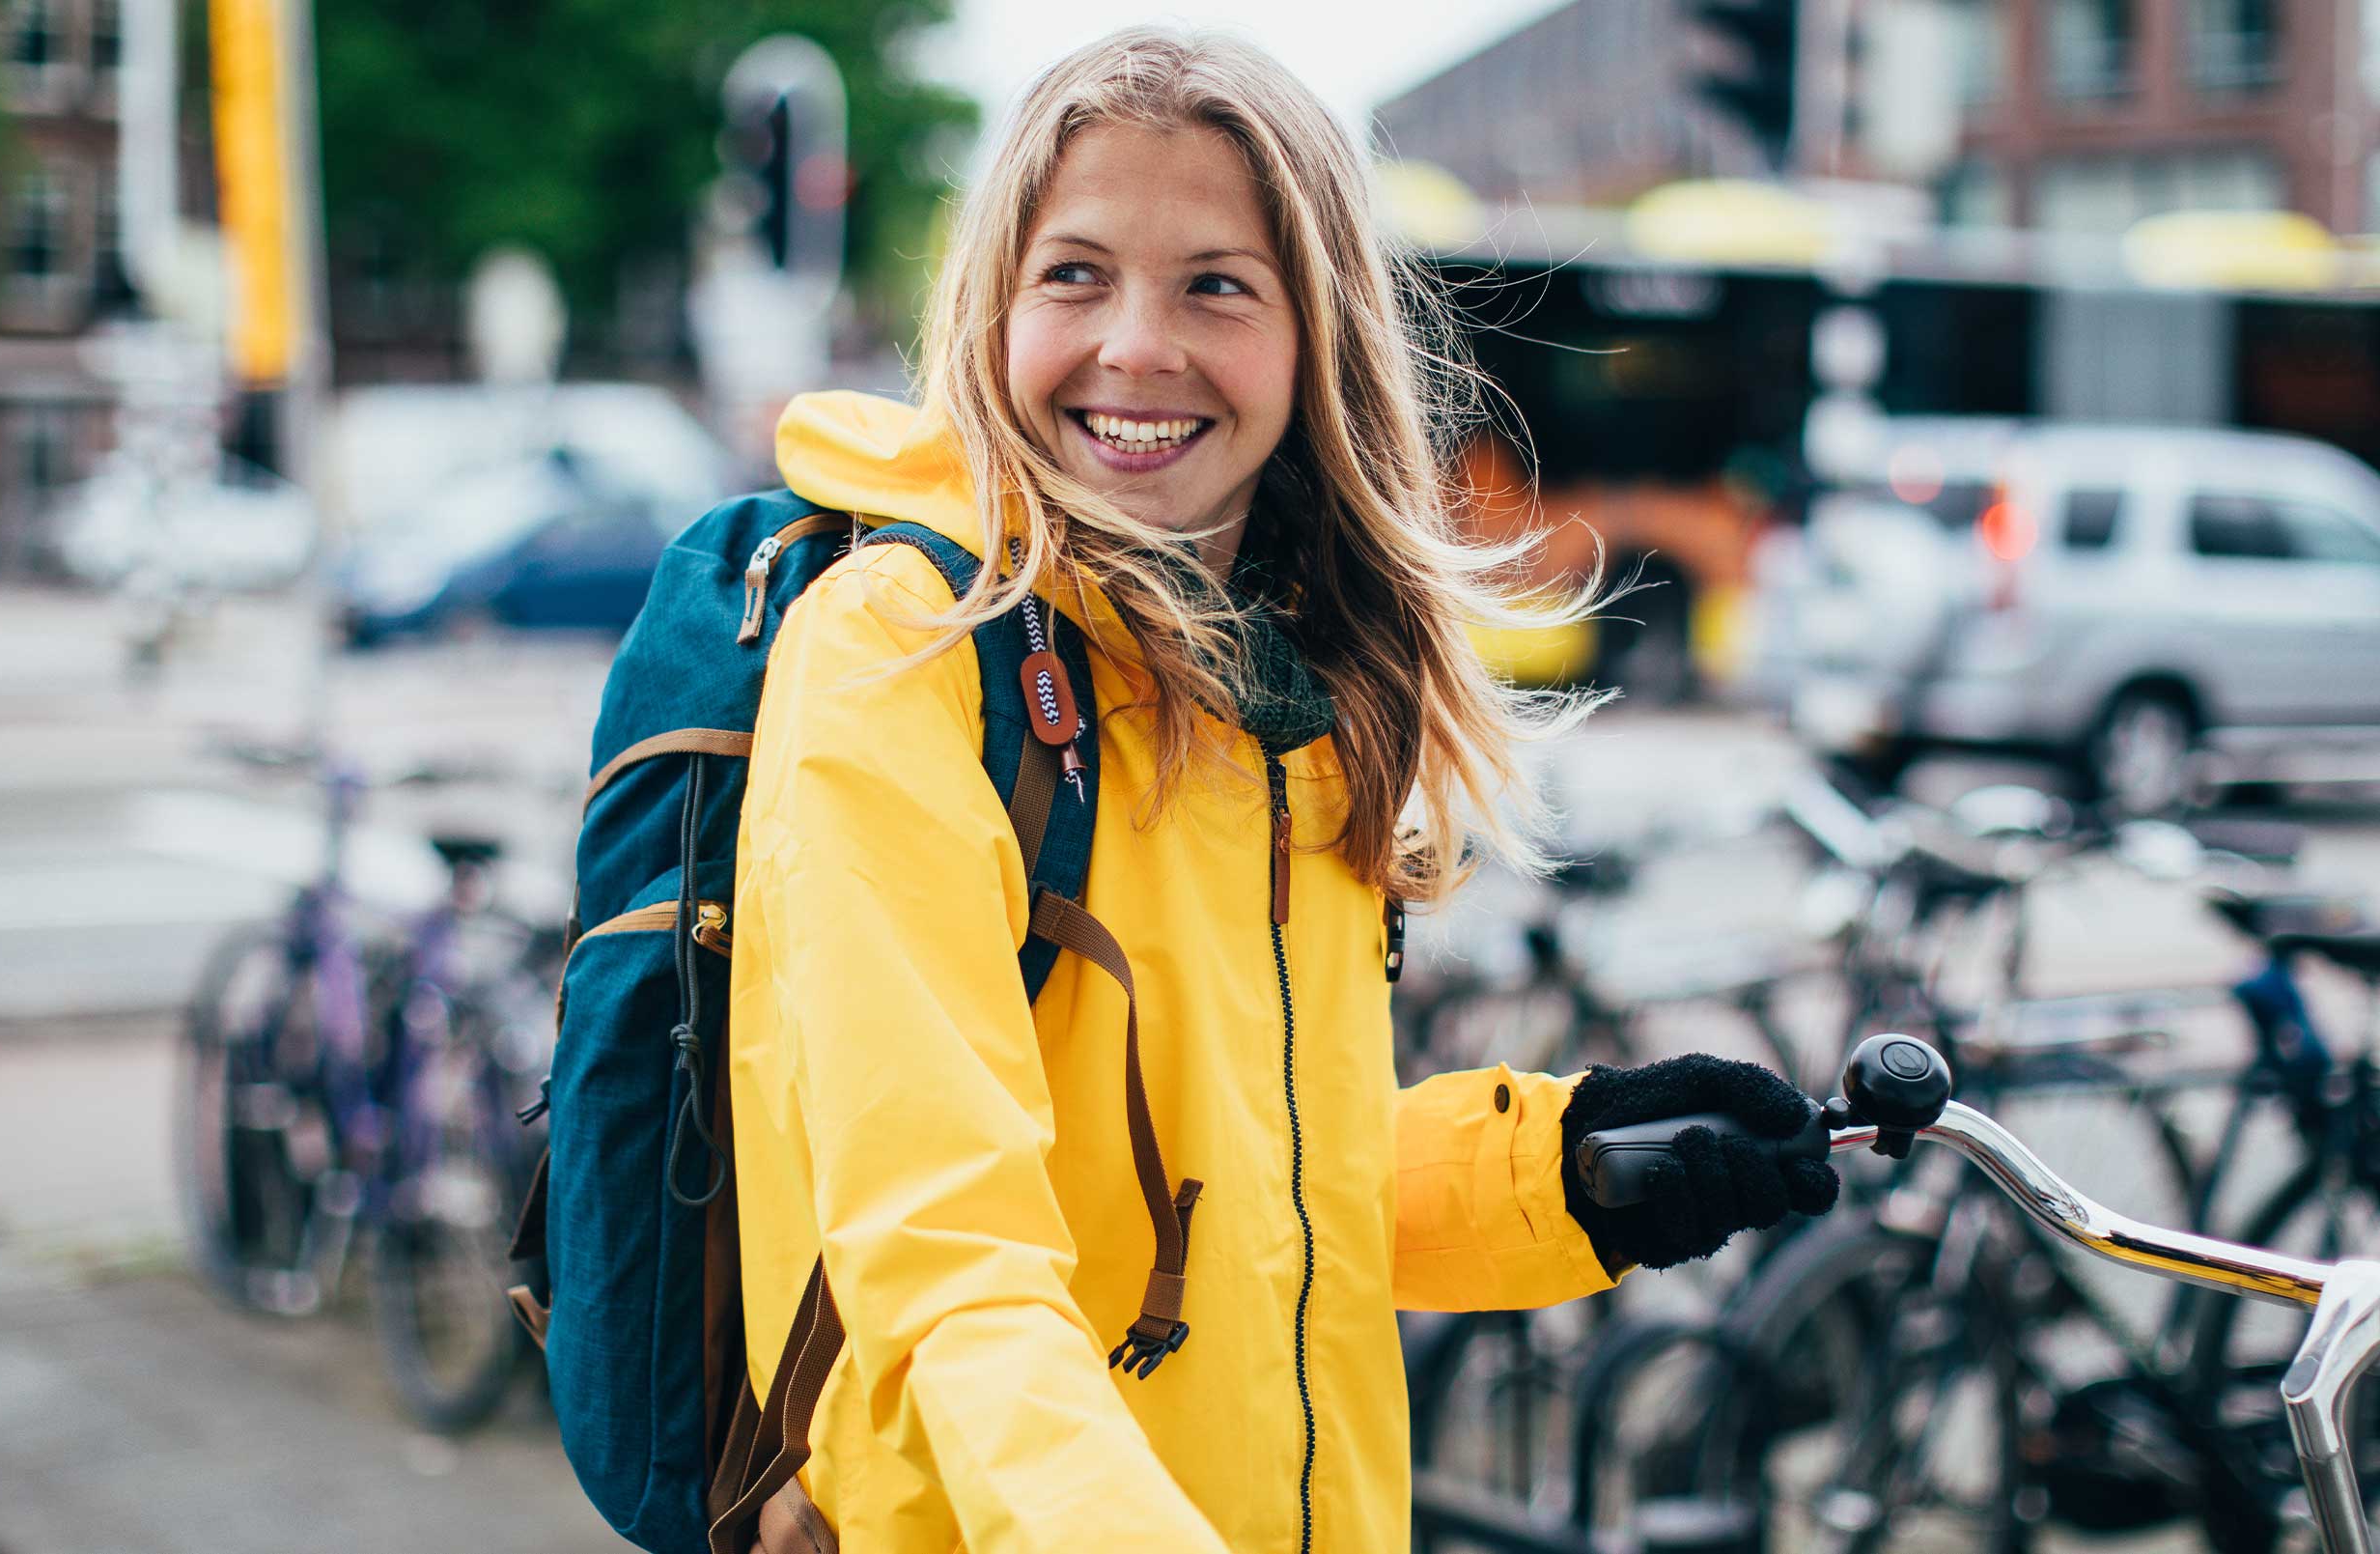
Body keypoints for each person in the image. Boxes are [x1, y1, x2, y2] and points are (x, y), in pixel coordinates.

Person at [726, 27, 1839, 1553]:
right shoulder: (904, 652)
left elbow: (1264, 1187)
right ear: (993, 305)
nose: (1136, 344)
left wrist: (1564, 1173)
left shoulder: (1292, 681)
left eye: (1216, 285)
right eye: (1074, 273)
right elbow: (944, 1257)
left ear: (1318, 335)